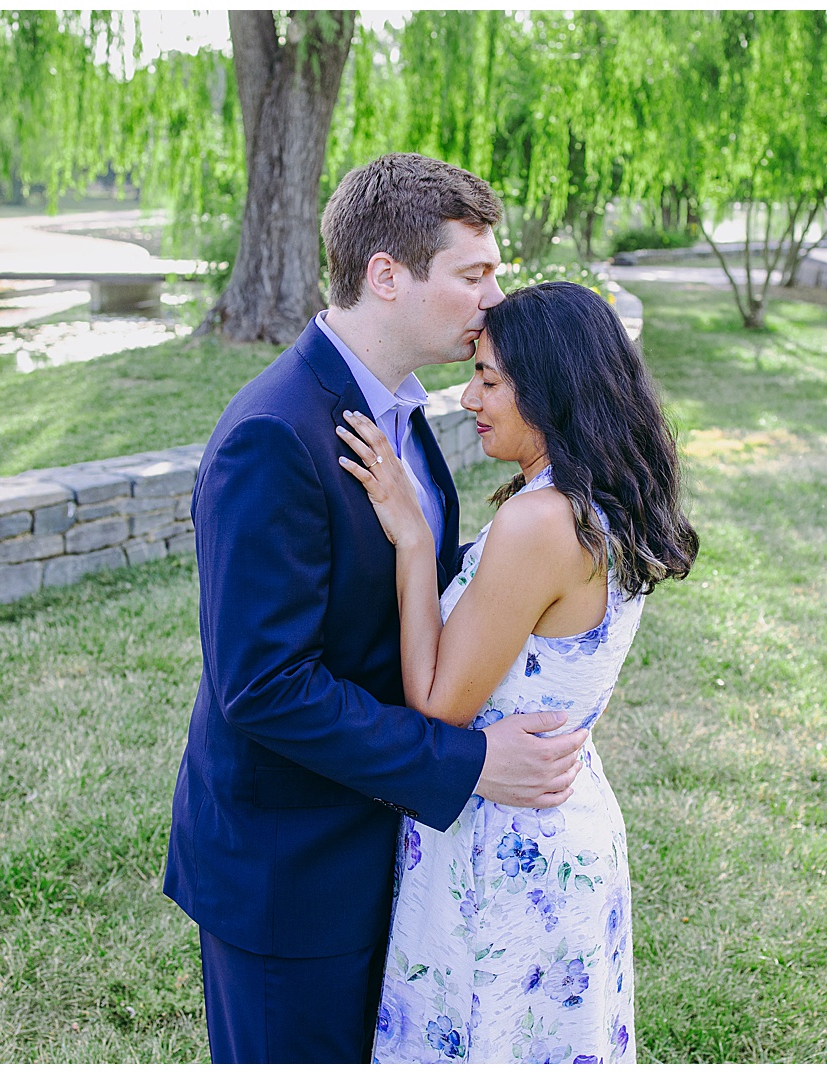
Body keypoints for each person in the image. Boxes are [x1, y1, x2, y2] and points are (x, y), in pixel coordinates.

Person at [162, 154, 593, 1064]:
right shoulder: (272, 436)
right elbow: (265, 687)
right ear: (387, 275)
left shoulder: (403, 413)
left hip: (385, 850)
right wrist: (467, 761)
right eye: (473, 274)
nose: (492, 299)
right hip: (293, 871)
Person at [336, 280, 700, 1063]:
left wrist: (411, 542)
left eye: (491, 380)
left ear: (554, 391)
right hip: (563, 824)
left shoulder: (540, 520)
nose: (469, 396)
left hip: (502, 848)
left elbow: (436, 703)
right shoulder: (602, 500)